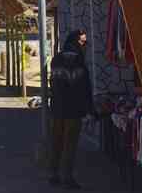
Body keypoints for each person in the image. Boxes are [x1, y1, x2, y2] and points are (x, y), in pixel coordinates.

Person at [48, 30, 95, 190]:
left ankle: (53, 174)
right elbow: (84, 88)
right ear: (75, 42)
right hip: (73, 111)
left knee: (56, 141)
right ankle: (67, 177)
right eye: (83, 42)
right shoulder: (79, 61)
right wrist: (90, 109)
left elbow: (53, 84)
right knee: (69, 144)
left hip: (57, 109)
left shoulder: (56, 59)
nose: (85, 45)